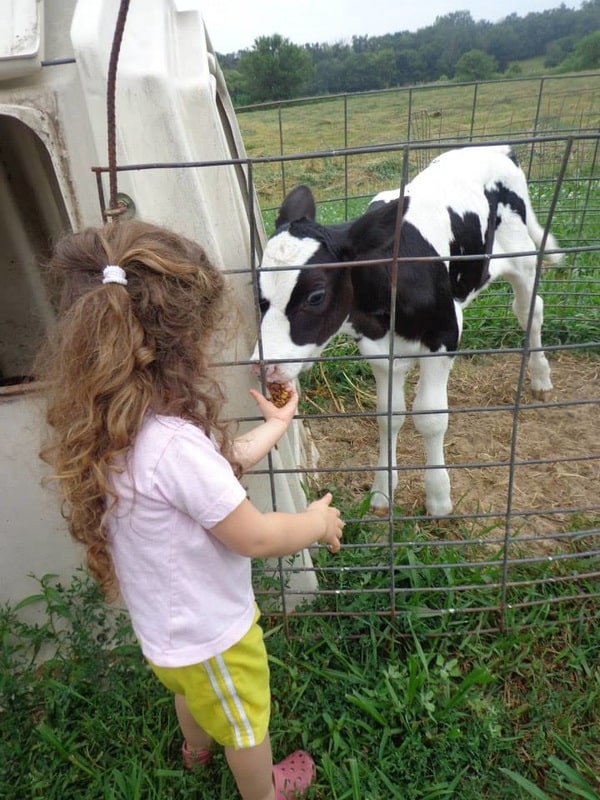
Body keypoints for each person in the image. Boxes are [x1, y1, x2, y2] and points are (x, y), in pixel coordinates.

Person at [36, 220, 344, 800]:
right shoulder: (173, 443)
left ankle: (195, 750)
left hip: (165, 634)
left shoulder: (117, 424)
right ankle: (265, 790)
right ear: (185, 344)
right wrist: (316, 523)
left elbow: (213, 474)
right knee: (249, 721)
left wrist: (274, 426)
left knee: (191, 694)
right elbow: (251, 535)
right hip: (215, 638)